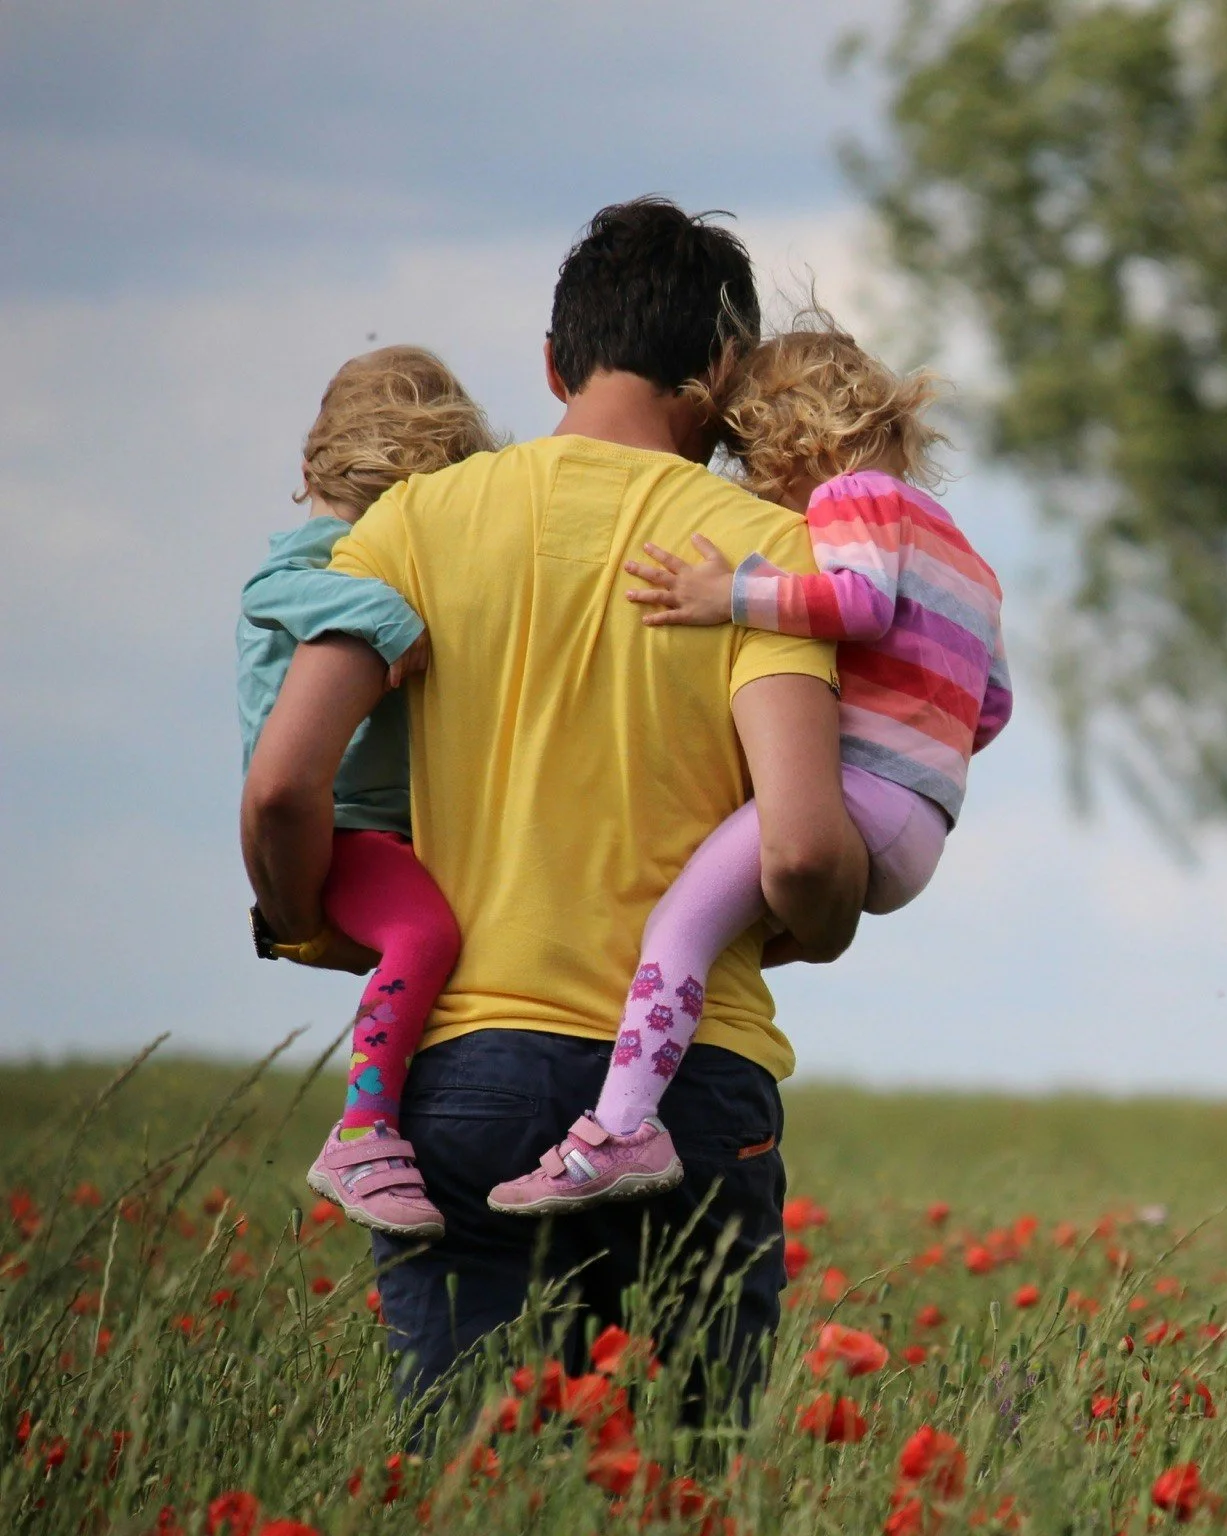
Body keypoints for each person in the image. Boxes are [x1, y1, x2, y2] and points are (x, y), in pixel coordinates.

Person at [240, 197, 867, 1395]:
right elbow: (798, 851)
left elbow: (281, 787)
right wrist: (821, 925)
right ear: (724, 370)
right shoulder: (761, 553)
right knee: (684, 1481)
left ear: (551, 361)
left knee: (473, 1481)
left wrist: (310, 921)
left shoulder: (410, 525)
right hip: (691, 1085)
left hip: (464, 1071)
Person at [488, 314, 1012, 1214]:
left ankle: (620, 1130)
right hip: (923, 821)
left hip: (858, 796)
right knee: (721, 934)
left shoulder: (854, 500)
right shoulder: (967, 555)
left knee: (677, 929)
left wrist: (727, 594)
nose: (753, 483)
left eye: (752, 456)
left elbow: (857, 604)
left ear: (795, 437)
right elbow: (992, 705)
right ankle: (647, 1085)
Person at [237, 346, 497, 1239]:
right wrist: (388, 616)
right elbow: (272, 589)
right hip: (344, 827)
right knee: (425, 933)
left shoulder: (360, 547)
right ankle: (364, 1130)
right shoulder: (319, 559)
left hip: (386, 829)